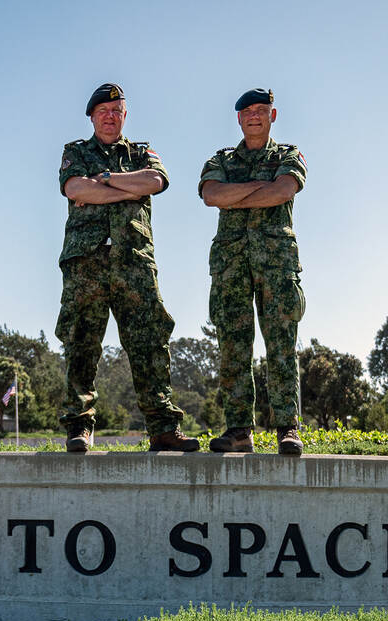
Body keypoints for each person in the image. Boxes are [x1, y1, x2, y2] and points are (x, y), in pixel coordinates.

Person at [56, 83, 199, 453]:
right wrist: (127, 189)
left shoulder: (141, 152)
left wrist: (104, 180)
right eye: (102, 110)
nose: (109, 116)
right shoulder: (76, 152)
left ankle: (163, 428)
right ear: (91, 116)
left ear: (125, 115)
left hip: (134, 261)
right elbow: (76, 189)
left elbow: (155, 181)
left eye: (116, 110)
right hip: (86, 261)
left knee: (150, 342)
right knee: (81, 342)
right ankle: (79, 425)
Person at [199, 88, 307, 455]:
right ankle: (239, 430)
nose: (255, 116)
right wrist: (261, 187)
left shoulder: (288, 155)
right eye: (247, 112)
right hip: (231, 265)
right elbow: (212, 194)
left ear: (272, 116)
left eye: (261, 110)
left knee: (281, 345)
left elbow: (284, 191)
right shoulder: (222, 159)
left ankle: (287, 428)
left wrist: (238, 196)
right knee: (232, 347)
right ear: (239, 119)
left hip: (276, 263)